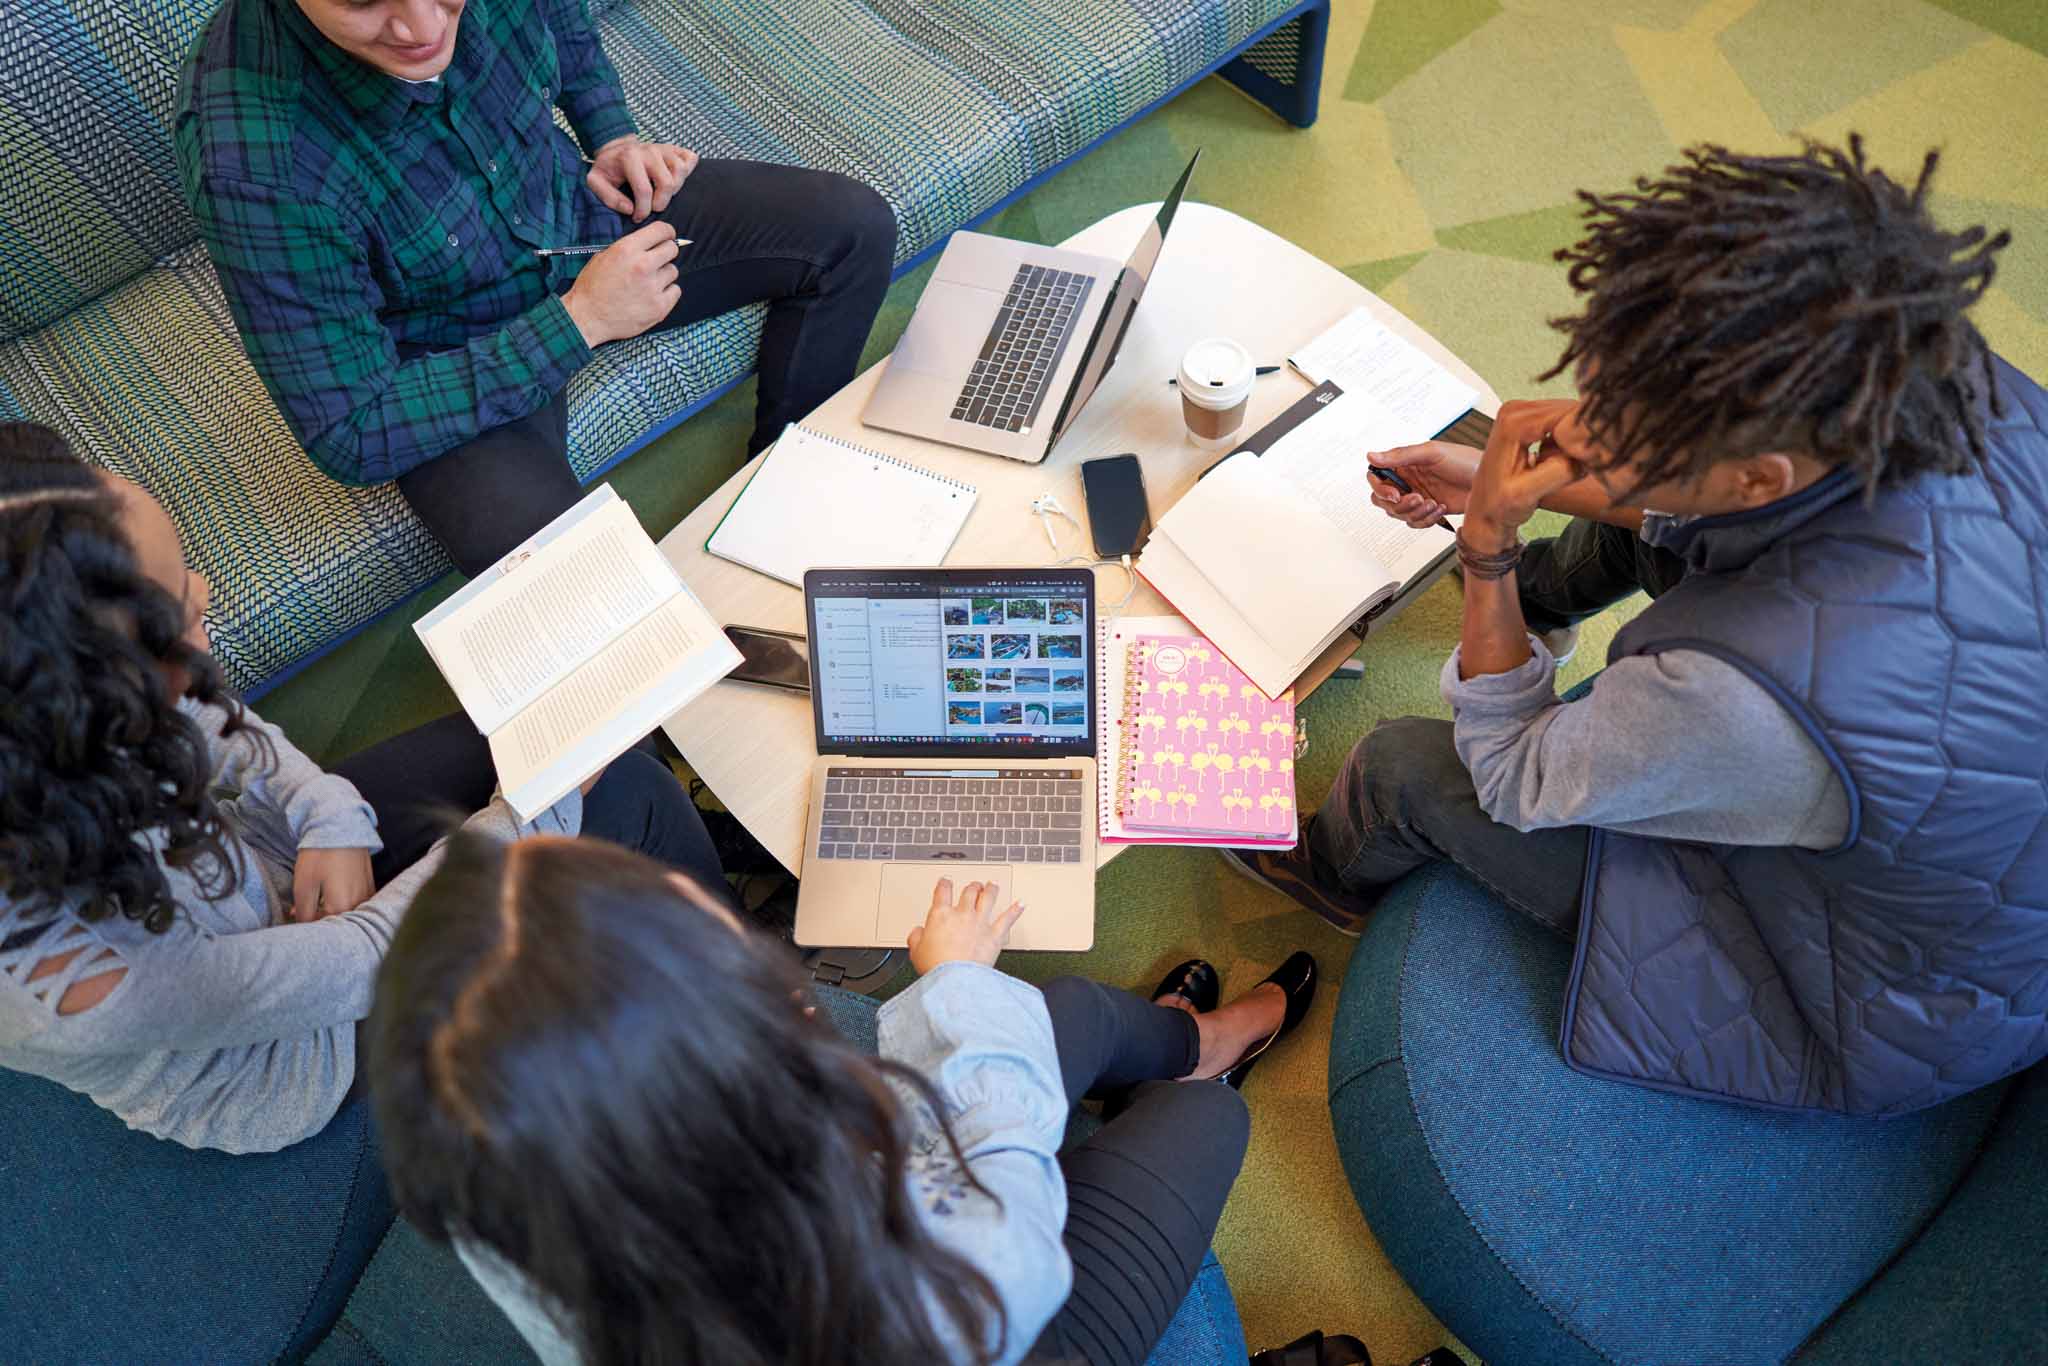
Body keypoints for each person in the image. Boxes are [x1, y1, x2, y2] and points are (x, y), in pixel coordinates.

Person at [1229, 137, 2048, 1117]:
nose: (1593, 426)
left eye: (1633, 419)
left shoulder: (1739, 704)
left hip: (1872, 992)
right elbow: (1726, 511)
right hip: (1966, 821)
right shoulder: (1921, 369)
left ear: (1756, 480)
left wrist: (1487, 542)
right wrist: (1541, 468)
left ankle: (1331, 872)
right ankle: (1542, 603)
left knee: (1405, 766)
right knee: (1640, 530)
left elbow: (1516, 773)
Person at [0, 424, 729, 1152]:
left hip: (269, 881)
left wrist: (329, 816)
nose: (207, 595)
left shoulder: (47, 725)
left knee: (563, 750)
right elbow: (363, 962)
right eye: (179, 616)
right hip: (300, 1058)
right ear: (86, 699)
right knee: (620, 795)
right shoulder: (84, 977)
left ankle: (698, 947)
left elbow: (210, 721)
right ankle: (749, 998)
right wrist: (528, 809)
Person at [369, 840, 1318, 1366]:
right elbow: (1011, 1232)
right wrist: (954, 982)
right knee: (1205, 1119)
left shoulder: (517, 1203)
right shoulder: (900, 1304)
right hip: (1014, 1328)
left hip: (886, 1213)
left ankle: (1189, 1039)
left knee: (1061, 1010)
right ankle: (1199, 1073)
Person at [174, 0, 897, 576]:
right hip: (444, 355)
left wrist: (612, 137)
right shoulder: (252, 159)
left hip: (575, 213)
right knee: (582, 618)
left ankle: (785, 500)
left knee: (853, 226)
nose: (422, 27)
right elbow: (349, 430)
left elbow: (566, 29)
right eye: (364, 2)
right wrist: (581, 320)